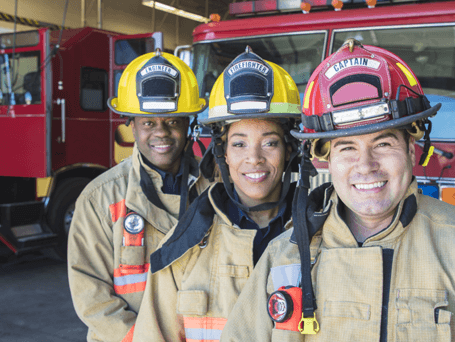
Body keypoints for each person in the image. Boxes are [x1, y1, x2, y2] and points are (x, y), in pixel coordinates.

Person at [220, 39, 455, 341]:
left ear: (412, 149)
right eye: (346, 148)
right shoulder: (284, 255)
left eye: (383, 143)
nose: (366, 165)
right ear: (326, 159)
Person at [130, 47, 302, 341]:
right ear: (222, 154)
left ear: (290, 151)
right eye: (239, 144)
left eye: (270, 143)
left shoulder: (320, 234)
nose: (254, 158)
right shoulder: (185, 244)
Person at [67, 49, 211, 342]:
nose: (161, 133)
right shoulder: (99, 198)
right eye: (148, 123)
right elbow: (91, 294)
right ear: (130, 125)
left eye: (172, 122)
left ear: (189, 124)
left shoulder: (216, 190)